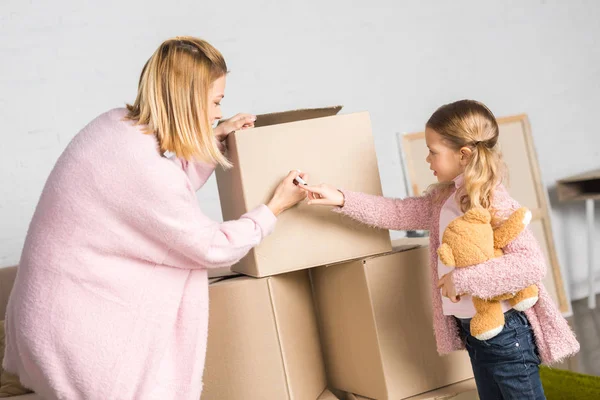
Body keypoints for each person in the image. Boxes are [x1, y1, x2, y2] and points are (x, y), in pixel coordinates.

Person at [3, 36, 307, 400]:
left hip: (46, 318)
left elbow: (151, 204)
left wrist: (212, 142)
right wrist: (273, 208)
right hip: (76, 338)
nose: (217, 113)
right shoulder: (146, 170)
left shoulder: (114, 126)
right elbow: (210, 248)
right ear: (188, 100)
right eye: (215, 102)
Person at [301, 99, 579, 400]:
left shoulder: (491, 200)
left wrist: (462, 280)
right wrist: (341, 198)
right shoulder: (445, 200)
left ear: (464, 155)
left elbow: (531, 264)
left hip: (506, 331)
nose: (427, 159)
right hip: (475, 331)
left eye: (433, 151)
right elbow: (396, 212)